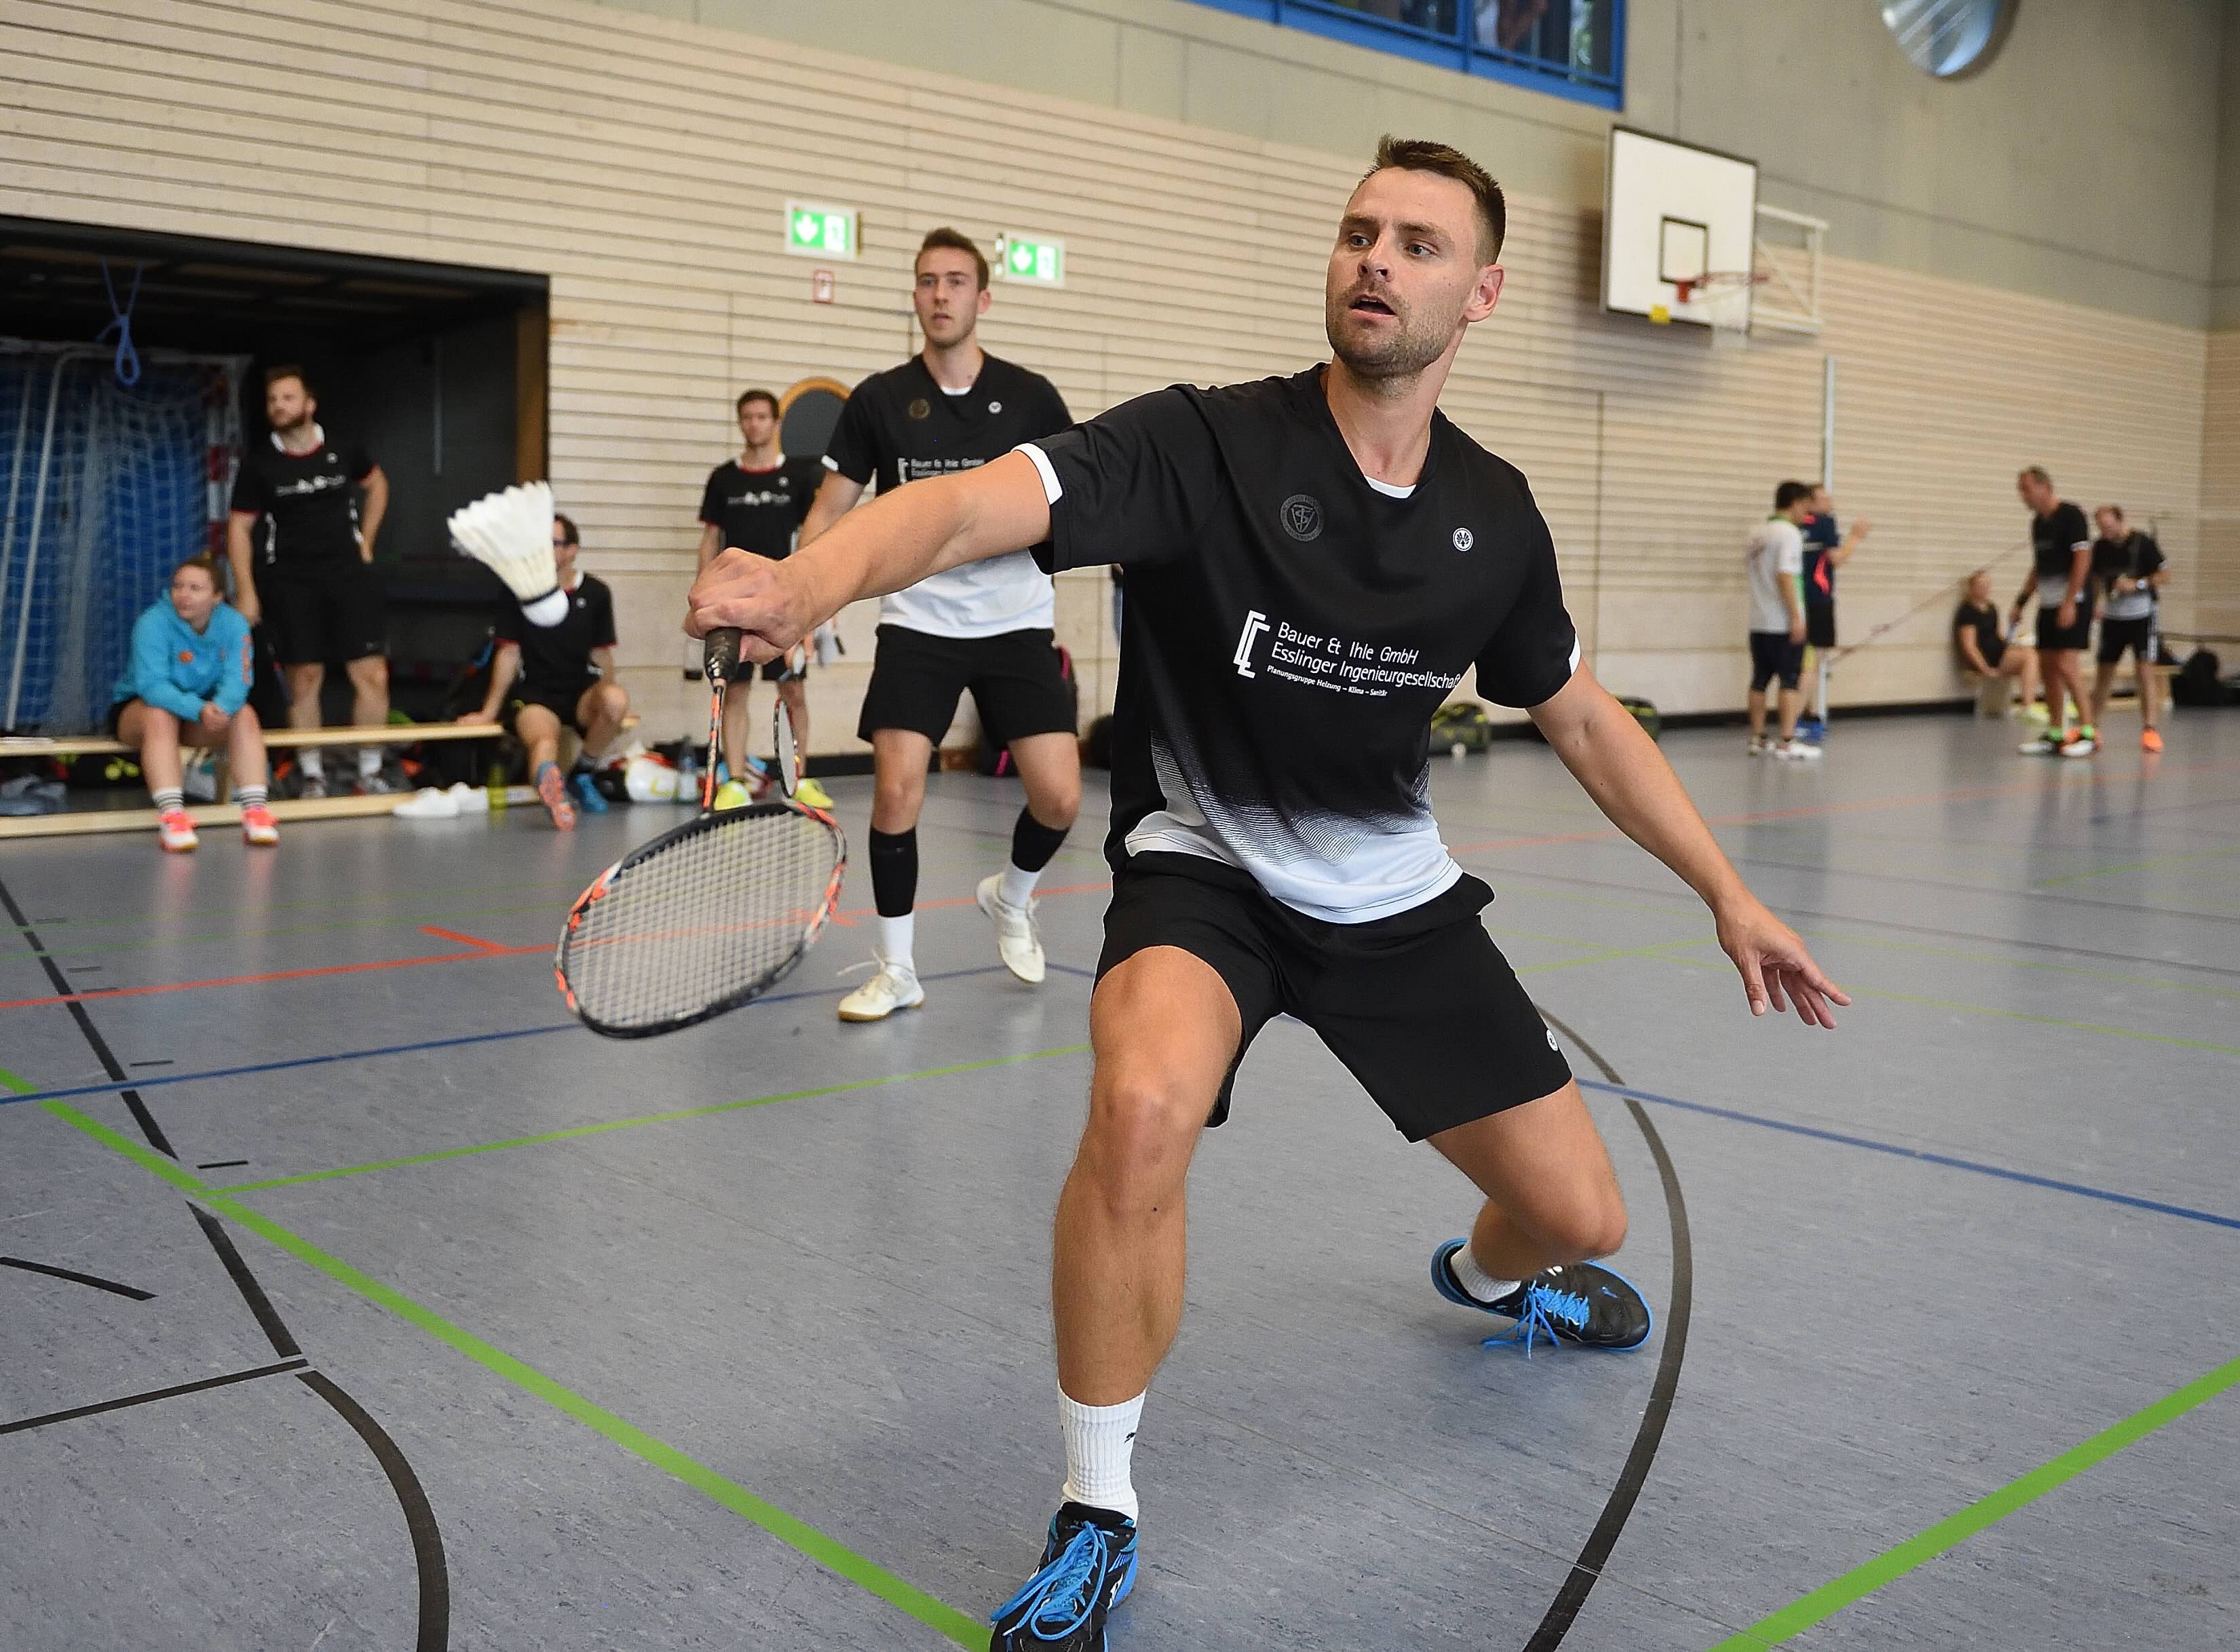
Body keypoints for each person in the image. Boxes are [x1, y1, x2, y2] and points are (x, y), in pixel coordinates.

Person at [687, 136, 1848, 1651]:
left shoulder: (1494, 512)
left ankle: (1488, 1278)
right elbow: (976, 506)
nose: (1377, 256)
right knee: (1142, 1106)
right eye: (1361, 230)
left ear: (1482, 292)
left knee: (1582, 1213)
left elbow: (1577, 714)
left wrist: (1727, 891)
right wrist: (810, 579)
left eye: (1419, 243)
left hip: (1393, 899)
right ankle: (1096, 1506)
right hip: (1208, 870)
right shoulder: (1201, 442)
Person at [795, 226, 1083, 1022]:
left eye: (956, 281)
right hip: (918, 620)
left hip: (1016, 621)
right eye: (927, 281)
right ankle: (897, 968)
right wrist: (797, 594)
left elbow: (1078, 498)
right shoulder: (880, 399)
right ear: (915, 296)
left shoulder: (1031, 397)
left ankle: (1011, 896)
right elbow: (829, 511)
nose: (940, 294)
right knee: (896, 791)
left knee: (1059, 798)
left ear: (982, 298)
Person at [225, 365, 394, 796]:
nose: (279, 406)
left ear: (309, 404)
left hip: (348, 576)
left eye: (288, 398)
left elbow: (377, 486)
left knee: (371, 675)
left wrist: (367, 541)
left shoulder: (342, 447)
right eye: (272, 400)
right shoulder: (260, 464)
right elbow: (239, 529)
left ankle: (370, 770)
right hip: (291, 581)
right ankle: (312, 773)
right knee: (305, 679)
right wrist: (246, 590)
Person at [697, 389, 833, 809]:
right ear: (740, 423)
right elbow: (710, 540)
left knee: (792, 692)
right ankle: (735, 782)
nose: (754, 425)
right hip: (733, 604)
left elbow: (813, 539)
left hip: (780, 604)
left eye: (762, 417)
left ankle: (800, 777)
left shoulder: (798, 477)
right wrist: (704, 593)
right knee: (733, 692)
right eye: (747, 418)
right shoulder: (724, 478)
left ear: (776, 424)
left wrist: (816, 603)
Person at [457, 513, 629, 830]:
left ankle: (582, 775)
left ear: (571, 551)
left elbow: (602, 653)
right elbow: (508, 653)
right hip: (535, 693)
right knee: (543, 742)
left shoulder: (596, 593)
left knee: (617, 700)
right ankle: (554, 797)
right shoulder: (517, 592)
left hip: (581, 691)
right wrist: (488, 711)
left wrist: (607, 703)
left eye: (551, 543)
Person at [110, 557, 278, 851]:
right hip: (142, 710)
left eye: (195, 588)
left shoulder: (234, 623)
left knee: (245, 715)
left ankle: (255, 812)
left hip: (201, 713)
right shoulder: (152, 623)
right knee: (160, 716)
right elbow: (152, 687)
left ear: (217, 597)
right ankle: (172, 817)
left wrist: (222, 708)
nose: (183, 595)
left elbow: (239, 680)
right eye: (178, 587)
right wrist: (198, 709)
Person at [2008, 466, 2095, 756]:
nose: (2022, 495)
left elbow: (2083, 559)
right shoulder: (2037, 524)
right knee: (2047, 667)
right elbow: (2039, 567)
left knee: (2067, 666)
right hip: (2047, 603)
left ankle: (2088, 733)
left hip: (2074, 602)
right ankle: (2056, 733)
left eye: (2025, 488)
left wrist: (2070, 601)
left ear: (2044, 487)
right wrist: (2021, 601)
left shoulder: (2071, 515)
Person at [2088, 505, 2170, 752]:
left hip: (2141, 615)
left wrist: (2138, 584)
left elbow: (2165, 575)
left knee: (2144, 670)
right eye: (2101, 528)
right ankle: (2090, 728)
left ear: (2120, 520)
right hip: (2114, 618)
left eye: (2109, 527)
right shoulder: (2100, 547)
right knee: (2104, 671)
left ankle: (2150, 729)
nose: (2106, 532)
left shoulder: (2142, 542)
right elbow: (2096, 579)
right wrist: (2097, 602)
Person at [1747, 482, 1820, 759]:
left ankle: (1758, 738)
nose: (1807, 512)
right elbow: (1785, 575)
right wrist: (1796, 617)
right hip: (1781, 621)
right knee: (1790, 680)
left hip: (1758, 619)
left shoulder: (1756, 533)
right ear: (1795, 503)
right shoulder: (1789, 533)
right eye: (1805, 506)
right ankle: (1787, 741)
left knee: (1759, 680)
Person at [1792, 486, 1869, 740]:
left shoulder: (1794, 525)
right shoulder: (1824, 522)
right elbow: (1836, 558)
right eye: (1824, 498)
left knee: (1805, 660)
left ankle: (1808, 713)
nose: (1830, 502)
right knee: (1812, 663)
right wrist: (1856, 538)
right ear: (1811, 502)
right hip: (1819, 601)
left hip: (1797, 599)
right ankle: (1792, 724)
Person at [1952, 569, 2042, 716]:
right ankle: (2028, 705)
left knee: (2031, 653)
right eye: (1981, 585)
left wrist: (2014, 644)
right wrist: (1985, 669)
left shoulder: (1991, 608)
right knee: (2029, 658)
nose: (1985, 589)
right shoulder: (1967, 612)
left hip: (1999, 652)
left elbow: (1999, 635)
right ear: (1972, 587)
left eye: (1987, 585)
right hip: (1988, 657)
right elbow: (1969, 647)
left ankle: (2032, 703)